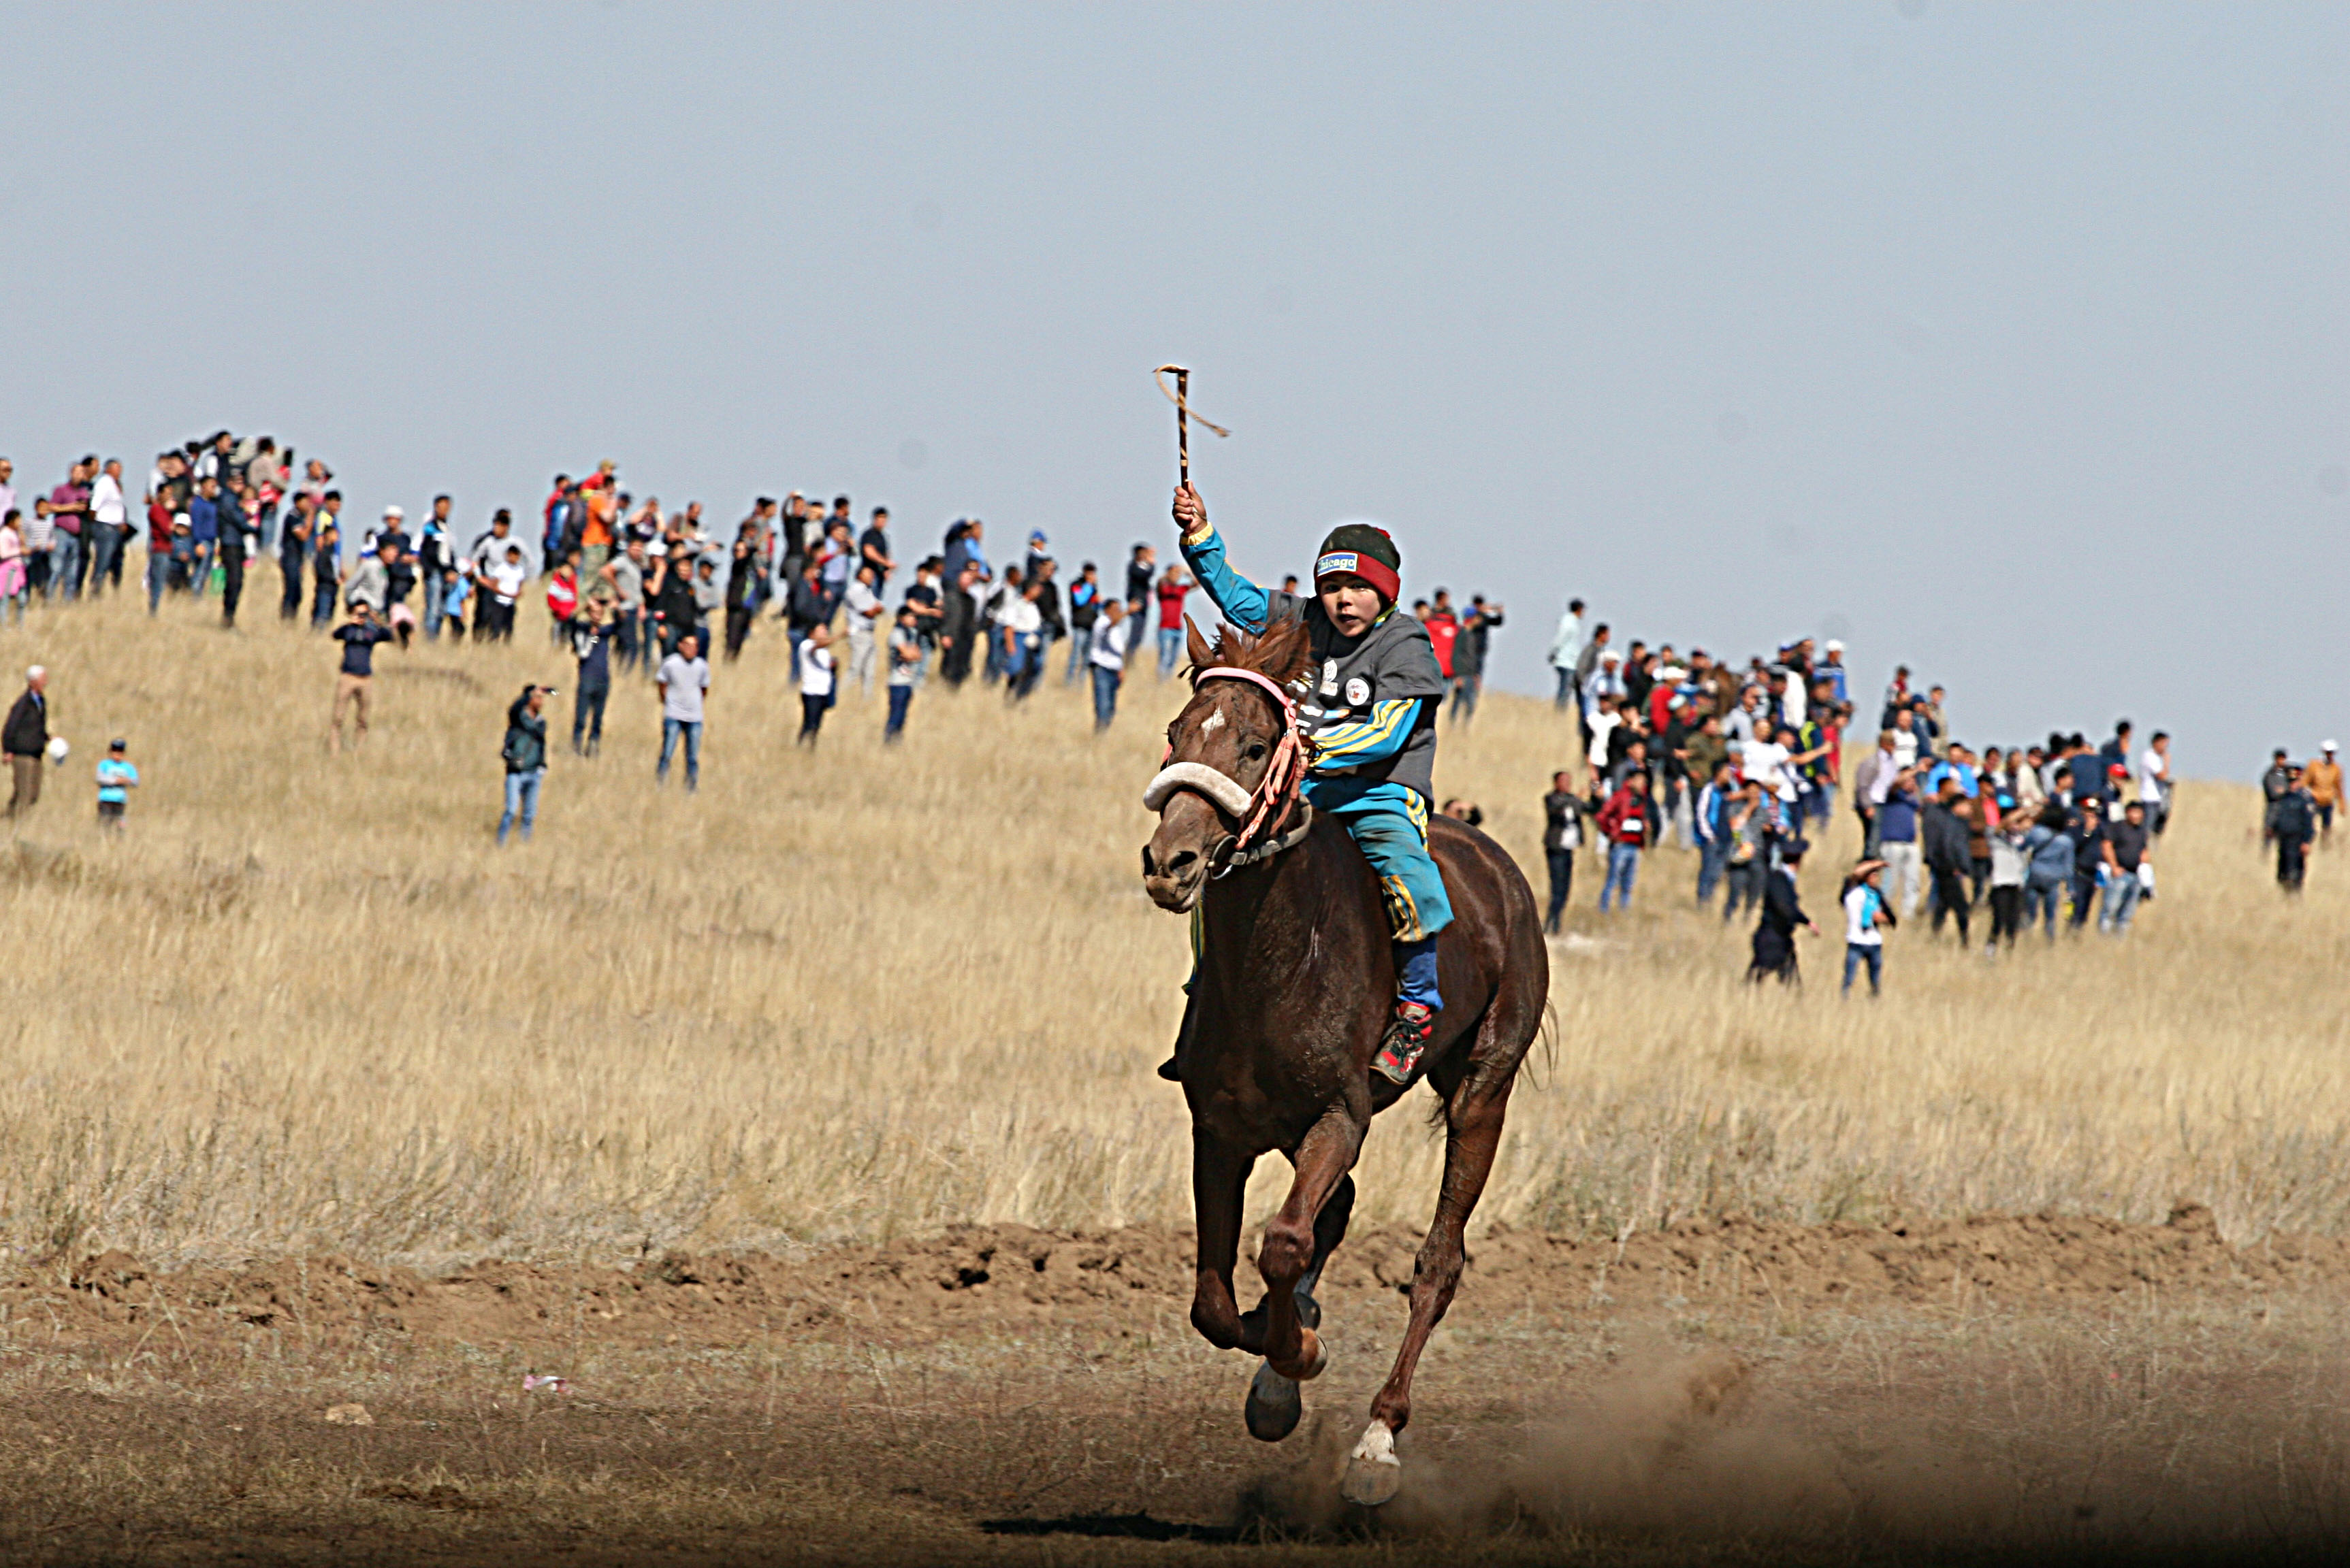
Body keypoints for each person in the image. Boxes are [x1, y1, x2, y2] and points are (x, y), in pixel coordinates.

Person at [1174, 483, 1452, 1082]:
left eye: (1357, 588)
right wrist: (1200, 536)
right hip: (1305, 792)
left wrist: (1303, 749)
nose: (1343, 600)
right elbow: (1237, 598)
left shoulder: (1405, 642)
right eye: (1330, 587)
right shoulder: (1301, 622)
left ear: (1385, 592)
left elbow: (1386, 731)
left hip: (1380, 792)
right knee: (1226, 862)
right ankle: (1205, 993)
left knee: (1409, 876)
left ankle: (1415, 1011)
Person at [1749, 839, 1816, 984]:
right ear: (1798, 860)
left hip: (1779, 938)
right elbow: (1784, 907)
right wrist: (1794, 919)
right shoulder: (1779, 879)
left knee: (1789, 981)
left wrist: (1807, 921)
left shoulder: (1783, 878)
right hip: (1773, 937)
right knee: (1757, 979)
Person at [329, 602, 393, 753]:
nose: (361, 617)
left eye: (364, 613)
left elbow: (388, 636)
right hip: (348, 677)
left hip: (365, 679)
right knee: (338, 718)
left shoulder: (371, 632)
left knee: (363, 719)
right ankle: (334, 751)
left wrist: (378, 622)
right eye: (358, 613)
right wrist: (349, 623)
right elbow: (335, 635)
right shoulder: (348, 630)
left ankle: (359, 751)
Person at [656, 632, 711, 789]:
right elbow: (662, 683)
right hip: (673, 715)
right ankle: (661, 784)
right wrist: (668, 702)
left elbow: (704, 689)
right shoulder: (670, 663)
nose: (691, 649)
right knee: (667, 753)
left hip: (694, 717)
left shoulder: (702, 666)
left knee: (692, 756)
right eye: (687, 645)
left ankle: (691, 786)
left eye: (694, 646)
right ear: (680, 646)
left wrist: (695, 703)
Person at [498, 685, 549, 846]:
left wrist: (542, 765)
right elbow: (514, 709)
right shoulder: (517, 718)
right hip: (516, 772)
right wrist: (529, 694)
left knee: (529, 815)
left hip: (534, 773)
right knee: (511, 811)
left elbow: (541, 745)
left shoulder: (541, 723)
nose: (540, 701)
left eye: (542, 698)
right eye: (537, 697)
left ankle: (524, 846)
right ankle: (501, 843)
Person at [1594, 770, 1652, 913]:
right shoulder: (1620, 796)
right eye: (1638, 780)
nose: (1641, 784)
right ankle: (1604, 910)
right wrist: (1611, 832)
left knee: (1628, 883)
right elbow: (1602, 816)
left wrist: (1645, 826)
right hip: (1620, 845)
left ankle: (1623, 912)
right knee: (1613, 880)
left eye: (1643, 781)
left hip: (1635, 845)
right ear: (1630, 781)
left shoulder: (1643, 800)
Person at [2099, 799, 2152, 934]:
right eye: (2133, 812)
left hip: (2136, 876)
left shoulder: (2142, 831)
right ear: (2127, 812)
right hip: (2119, 875)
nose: (2136, 815)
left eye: (2139, 813)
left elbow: (2144, 852)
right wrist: (2114, 867)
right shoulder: (2116, 827)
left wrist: (2146, 875)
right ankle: (2103, 939)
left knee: (2127, 913)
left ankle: (2120, 942)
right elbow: (2106, 846)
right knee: (2110, 909)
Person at [1540, 770, 1584, 934]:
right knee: (1557, 888)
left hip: (1568, 849)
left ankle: (1556, 922)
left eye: (1569, 781)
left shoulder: (1573, 799)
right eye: (1564, 781)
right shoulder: (1551, 798)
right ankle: (1550, 923)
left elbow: (1589, 808)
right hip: (1556, 848)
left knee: (1565, 889)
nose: (1567, 784)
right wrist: (1574, 800)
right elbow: (1554, 810)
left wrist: (1596, 795)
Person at [1840, 858, 1892, 996]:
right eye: (1873, 875)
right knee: (1849, 978)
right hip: (1856, 941)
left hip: (1874, 942)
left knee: (1875, 981)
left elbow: (1892, 918)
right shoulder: (1852, 892)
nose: (1876, 879)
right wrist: (1875, 864)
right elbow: (1854, 875)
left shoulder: (1877, 895)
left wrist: (1883, 919)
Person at [4, 666, 50, 818]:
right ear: (33, 681)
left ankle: (6, 819)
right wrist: (8, 750)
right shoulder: (24, 703)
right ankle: (15, 826)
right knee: (25, 795)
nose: (46, 682)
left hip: (37, 754)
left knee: (33, 795)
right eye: (43, 679)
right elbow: (10, 727)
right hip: (23, 755)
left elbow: (36, 727)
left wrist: (48, 738)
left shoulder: (41, 702)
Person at [571, 595, 614, 756]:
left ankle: (593, 747)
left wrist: (614, 606)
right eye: (594, 612)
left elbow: (620, 624)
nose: (597, 616)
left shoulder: (605, 631)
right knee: (581, 718)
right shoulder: (583, 629)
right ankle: (576, 748)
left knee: (598, 719)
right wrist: (584, 606)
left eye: (600, 613)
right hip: (587, 679)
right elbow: (570, 619)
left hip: (603, 679)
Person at [1986, 806, 2031, 951]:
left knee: (2013, 923)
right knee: (1999, 920)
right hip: (2000, 885)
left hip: (2017, 885)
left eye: (2018, 823)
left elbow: (2030, 827)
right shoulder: (1995, 837)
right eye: (2013, 822)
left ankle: (2009, 951)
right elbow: (2001, 826)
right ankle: (1991, 949)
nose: (2015, 826)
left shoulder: (2022, 839)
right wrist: (2024, 810)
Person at [843, 563, 885, 694]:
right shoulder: (856, 590)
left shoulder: (867, 590)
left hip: (868, 633)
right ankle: (839, 695)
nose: (872, 577)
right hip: (859, 633)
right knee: (855, 668)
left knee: (869, 671)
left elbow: (878, 608)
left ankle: (867, 701)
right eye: (868, 574)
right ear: (860, 575)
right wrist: (876, 609)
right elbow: (869, 612)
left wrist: (876, 609)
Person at [1088, 598, 1129, 730]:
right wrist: (1128, 611)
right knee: (1103, 705)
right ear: (1107, 610)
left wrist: (1121, 670)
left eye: (1120, 609)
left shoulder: (1117, 629)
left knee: (1111, 707)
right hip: (1102, 669)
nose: (1118, 612)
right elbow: (1109, 626)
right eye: (1115, 609)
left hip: (1114, 671)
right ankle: (1099, 733)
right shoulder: (1102, 622)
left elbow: (1118, 652)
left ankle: (1104, 733)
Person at [2272, 768, 2316, 892]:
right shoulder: (2283, 799)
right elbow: (2278, 818)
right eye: (2290, 781)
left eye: (2294, 781)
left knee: (2295, 873)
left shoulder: (2305, 799)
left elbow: (2309, 823)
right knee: (2282, 875)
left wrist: (2306, 842)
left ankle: (2294, 899)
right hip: (2283, 841)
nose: (2292, 784)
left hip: (2297, 841)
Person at [884, 606, 922, 742]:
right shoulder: (896, 633)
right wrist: (909, 653)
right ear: (901, 618)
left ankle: (897, 742)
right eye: (910, 616)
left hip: (908, 681)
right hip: (897, 682)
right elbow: (908, 653)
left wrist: (910, 654)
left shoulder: (911, 633)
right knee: (895, 715)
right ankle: (888, 742)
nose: (914, 619)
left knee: (903, 717)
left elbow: (918, 655)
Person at [795, 624, 834, 747]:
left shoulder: (824, 651)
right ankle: (803, 746)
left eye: (825, 631)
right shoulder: (807, 645)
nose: (825, 633)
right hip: (812, 692)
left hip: (823, 692)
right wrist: (840, 635)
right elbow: (815, 648)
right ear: (812, 633)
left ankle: (809, 747)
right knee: (810, 724)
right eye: (821, 631)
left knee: (816, 724)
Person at [1064, 562, 1101, 683]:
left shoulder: (1094, 587)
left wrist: (1100, 603)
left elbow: (1095, 605)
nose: (1092, 575)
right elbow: (1080, 601)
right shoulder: (1076, 585)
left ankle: (1081, 683)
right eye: (1089, 573)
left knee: (1087, 658)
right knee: (1075, 656)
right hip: (1080, 624)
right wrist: (1089, 586)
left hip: (1092, 624)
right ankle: (1069, 682)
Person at [1547, 598, 1586, 711]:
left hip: (1569, 661)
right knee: (1565, 689)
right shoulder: (1568, 622)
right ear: (1578, 609)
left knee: (1566, 689)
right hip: (1566, 662)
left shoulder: (1572, 622)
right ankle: (1559, 712)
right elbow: (1560, 638)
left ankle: (1561, 711)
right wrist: (1553, 653)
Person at [1153, 565, 1191, 678]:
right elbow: (1159, 583)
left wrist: (1186, 572)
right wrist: (1169, 573)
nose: (1176, 577)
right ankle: (1160, 678)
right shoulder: (1163, 589)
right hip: (1164, 628)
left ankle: (1168, 678)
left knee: (1174, 656)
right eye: (1174, 574)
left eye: (1177, 575)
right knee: (1164, 655)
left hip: (1178, 628)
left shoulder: (1181, 589)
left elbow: (1197, 583)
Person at [93, 736, 138, 831]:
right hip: (106, 800)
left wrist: (127, 781)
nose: (117, 754)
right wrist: (116, 781)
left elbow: (135, 781)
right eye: (115, 751)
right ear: (111, 752)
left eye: (120, 752)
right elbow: (99, 778)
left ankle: (118, 842)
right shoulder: (104, 764)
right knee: (105, 824)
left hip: (120, 800)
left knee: (120, 825)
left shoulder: (128, 767)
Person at [2307, 741, 2340, 845]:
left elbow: (2338, 786)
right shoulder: (2314, 766)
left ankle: (2325, 847)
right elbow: (2306, 781)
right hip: (2315, 800)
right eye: (2328, 753)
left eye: (2331, 753)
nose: (2329, 755)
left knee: (2326, 827)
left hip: (2328, 802)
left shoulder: (2336, 769)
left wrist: (2342, 803)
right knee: (2310, 824)